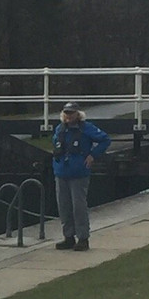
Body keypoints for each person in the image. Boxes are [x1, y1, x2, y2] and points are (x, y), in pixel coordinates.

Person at [52, 101, 111, 251]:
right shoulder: (60, 129)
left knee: (79, 206)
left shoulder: (86, 128)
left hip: (79, 172)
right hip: (61, 172)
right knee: (64, 206)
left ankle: (83, 237)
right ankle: (68, 236)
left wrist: (93, 155)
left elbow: (105, 140)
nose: (69, 115)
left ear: (77, 114)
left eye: (71, 113)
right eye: (66, 112)